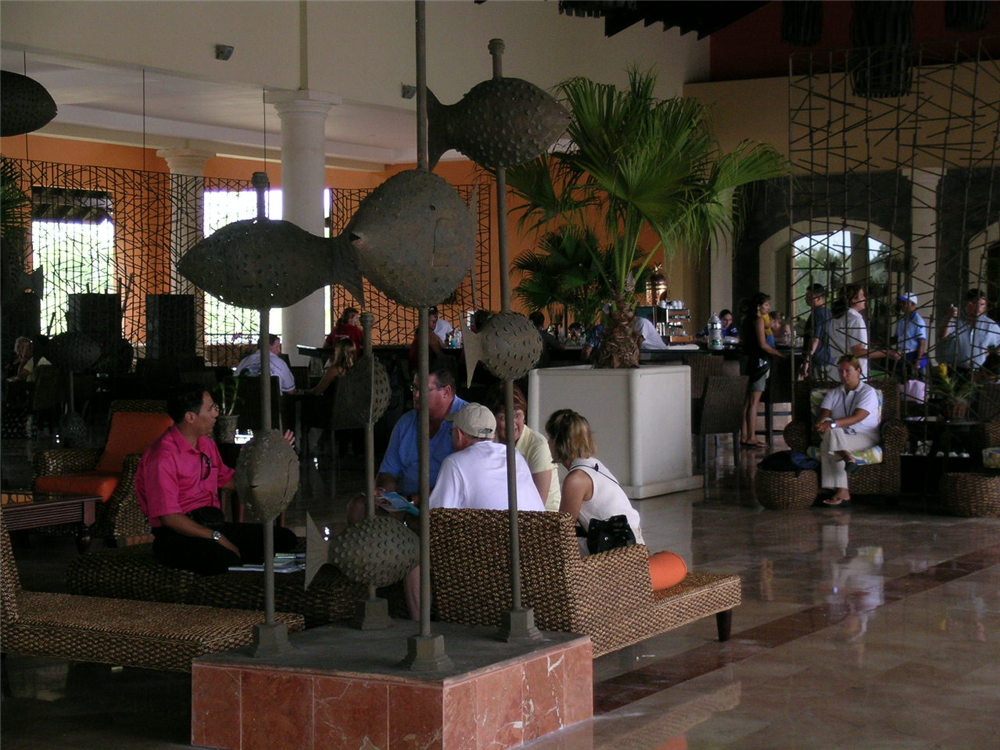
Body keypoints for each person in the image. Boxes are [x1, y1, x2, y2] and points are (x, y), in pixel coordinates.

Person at [135, 384, 297, 575]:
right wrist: (218, 538)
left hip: (212, 524)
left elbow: (235, 483)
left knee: (285, 539)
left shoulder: (206, 444)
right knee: (224, 557)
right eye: (211, 409)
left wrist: (274, 458)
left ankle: (246, 564)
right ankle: (242, 565)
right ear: (190, 417)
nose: (216, 414)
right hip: (178, 535)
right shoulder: (163, 457)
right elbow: (170, 518)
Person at [347, 358, 467, 524]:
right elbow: (389, 472)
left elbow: (467, 481)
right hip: (409, 501)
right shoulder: (406, 422)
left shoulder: (468, 421)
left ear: (446, 391)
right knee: (359, 506)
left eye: (423, 390)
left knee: (412, 517)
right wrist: (383, 492)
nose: (416, 395)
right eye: (414, 388)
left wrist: (414, 499)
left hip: (450, 504)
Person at [544, 408, 644, 552]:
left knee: (549, 547)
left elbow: (564, 527)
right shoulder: (593, 465)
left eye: (550, 438)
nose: (548, 443)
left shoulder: (576, 479)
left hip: (619, 547)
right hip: (632, 539)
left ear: (560, 442)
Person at [428, 403, 544, 511]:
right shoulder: (514, 455)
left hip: (493, 532)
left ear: (459, 434)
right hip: (532, 530)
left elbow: (438, 516)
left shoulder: (455, 462)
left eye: (451, 431)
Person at [814, 355, 881, 507]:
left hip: (865, 435)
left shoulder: (867, 392)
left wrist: (831, 425)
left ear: (858, 371)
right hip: (841, 435)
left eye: (848, 371)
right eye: (840, 371)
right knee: (831, 433)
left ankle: (842, 488)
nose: (844, 375)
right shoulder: (834, 393)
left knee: (830, 437)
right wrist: (821, 424)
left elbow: (858, 417)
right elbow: (824, 414)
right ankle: (847, 459)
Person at [484, 383, 561, 511]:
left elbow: (537, 503)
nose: (511, 423)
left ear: (524, 416)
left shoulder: (537, 446)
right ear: (493, 420)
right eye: (503, 417)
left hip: (543, 518)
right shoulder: (490, 442)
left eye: (516, 415)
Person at [740, 293, 787, 448]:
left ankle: (744, 435)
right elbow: (762, 344)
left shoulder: (745, 320)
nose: (769, 308)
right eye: (766, 305)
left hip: (746, 360)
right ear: (759, 306)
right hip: (758, 361)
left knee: (747, 401)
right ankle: (752, 437)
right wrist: (777, 353)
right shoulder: (758, 320)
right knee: (754, 401)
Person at [826, 284, 899, 380]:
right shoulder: (855, 319)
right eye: (862, 295)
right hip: (851, 374)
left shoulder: (837, 319)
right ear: (854, 299)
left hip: (837, 371)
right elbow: (858, 352)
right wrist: (888, 353)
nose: (865, 298)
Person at [938, 287, 1000, 374]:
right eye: (974, 303)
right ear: (966, 303)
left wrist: (993, 352)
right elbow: (942, 336)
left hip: (979, 372)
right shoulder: (954, 319)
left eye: (982, 305)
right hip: (954, 370)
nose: (978, 308)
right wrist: (949, 317)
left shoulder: (990, 325)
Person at [800, 284, 834, 380]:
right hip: (828, 356)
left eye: (809, 297)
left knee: (817, 390)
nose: (806, 299)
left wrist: (807, 361)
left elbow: (815, 339)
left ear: (818, 298)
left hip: (818, 357)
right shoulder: (828, 312)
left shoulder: (818, 313)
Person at [895, 292, 927, 370]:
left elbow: (922, 342)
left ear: (912, 304)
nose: (901, 305)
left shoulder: (918, 321)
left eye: (904, 303)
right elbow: (897, 338)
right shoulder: (902, 320)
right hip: (901, 354)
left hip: (913, 354)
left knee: (911, 379)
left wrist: (918, 361)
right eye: (901, 303)